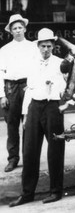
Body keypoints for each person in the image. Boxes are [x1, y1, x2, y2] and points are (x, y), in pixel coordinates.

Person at [9, 28, 66, 207]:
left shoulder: (61, 63)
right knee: (29, 151)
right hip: (34, 107)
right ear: (38, 46)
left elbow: (70, 87)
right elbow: (29, 90)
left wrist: (61, 98)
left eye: (49, 46)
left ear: (53, 47)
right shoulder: (31, 64)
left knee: (55, 150)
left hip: (53, 108)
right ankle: (27, 193)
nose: (46, 49)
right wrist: (26, 114)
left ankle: (55, 191)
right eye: (43, 46)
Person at [0, 14, 38, 173]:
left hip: (27, 86)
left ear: (25, 29)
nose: (17, 31)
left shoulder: (33, 47)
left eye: (20, 27)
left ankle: (28, 158)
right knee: (12, 125)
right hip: (11, 88)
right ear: (10, 31)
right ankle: (13, 159)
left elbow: (37, 68)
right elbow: (0, 72)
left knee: (29, 124)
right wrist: (2, 95)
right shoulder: (4, 50)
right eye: (14, 28)